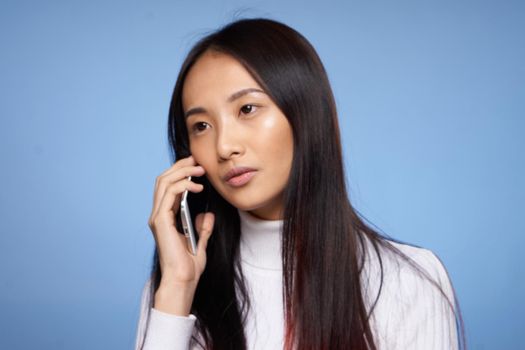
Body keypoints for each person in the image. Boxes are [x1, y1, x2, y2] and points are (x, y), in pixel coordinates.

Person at [134, 17, 464, 350]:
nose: (223, 147)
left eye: (247, 109)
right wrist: (177, 287)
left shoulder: (408, 280)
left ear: (305, 113)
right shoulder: (175, 288)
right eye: (201, 126)